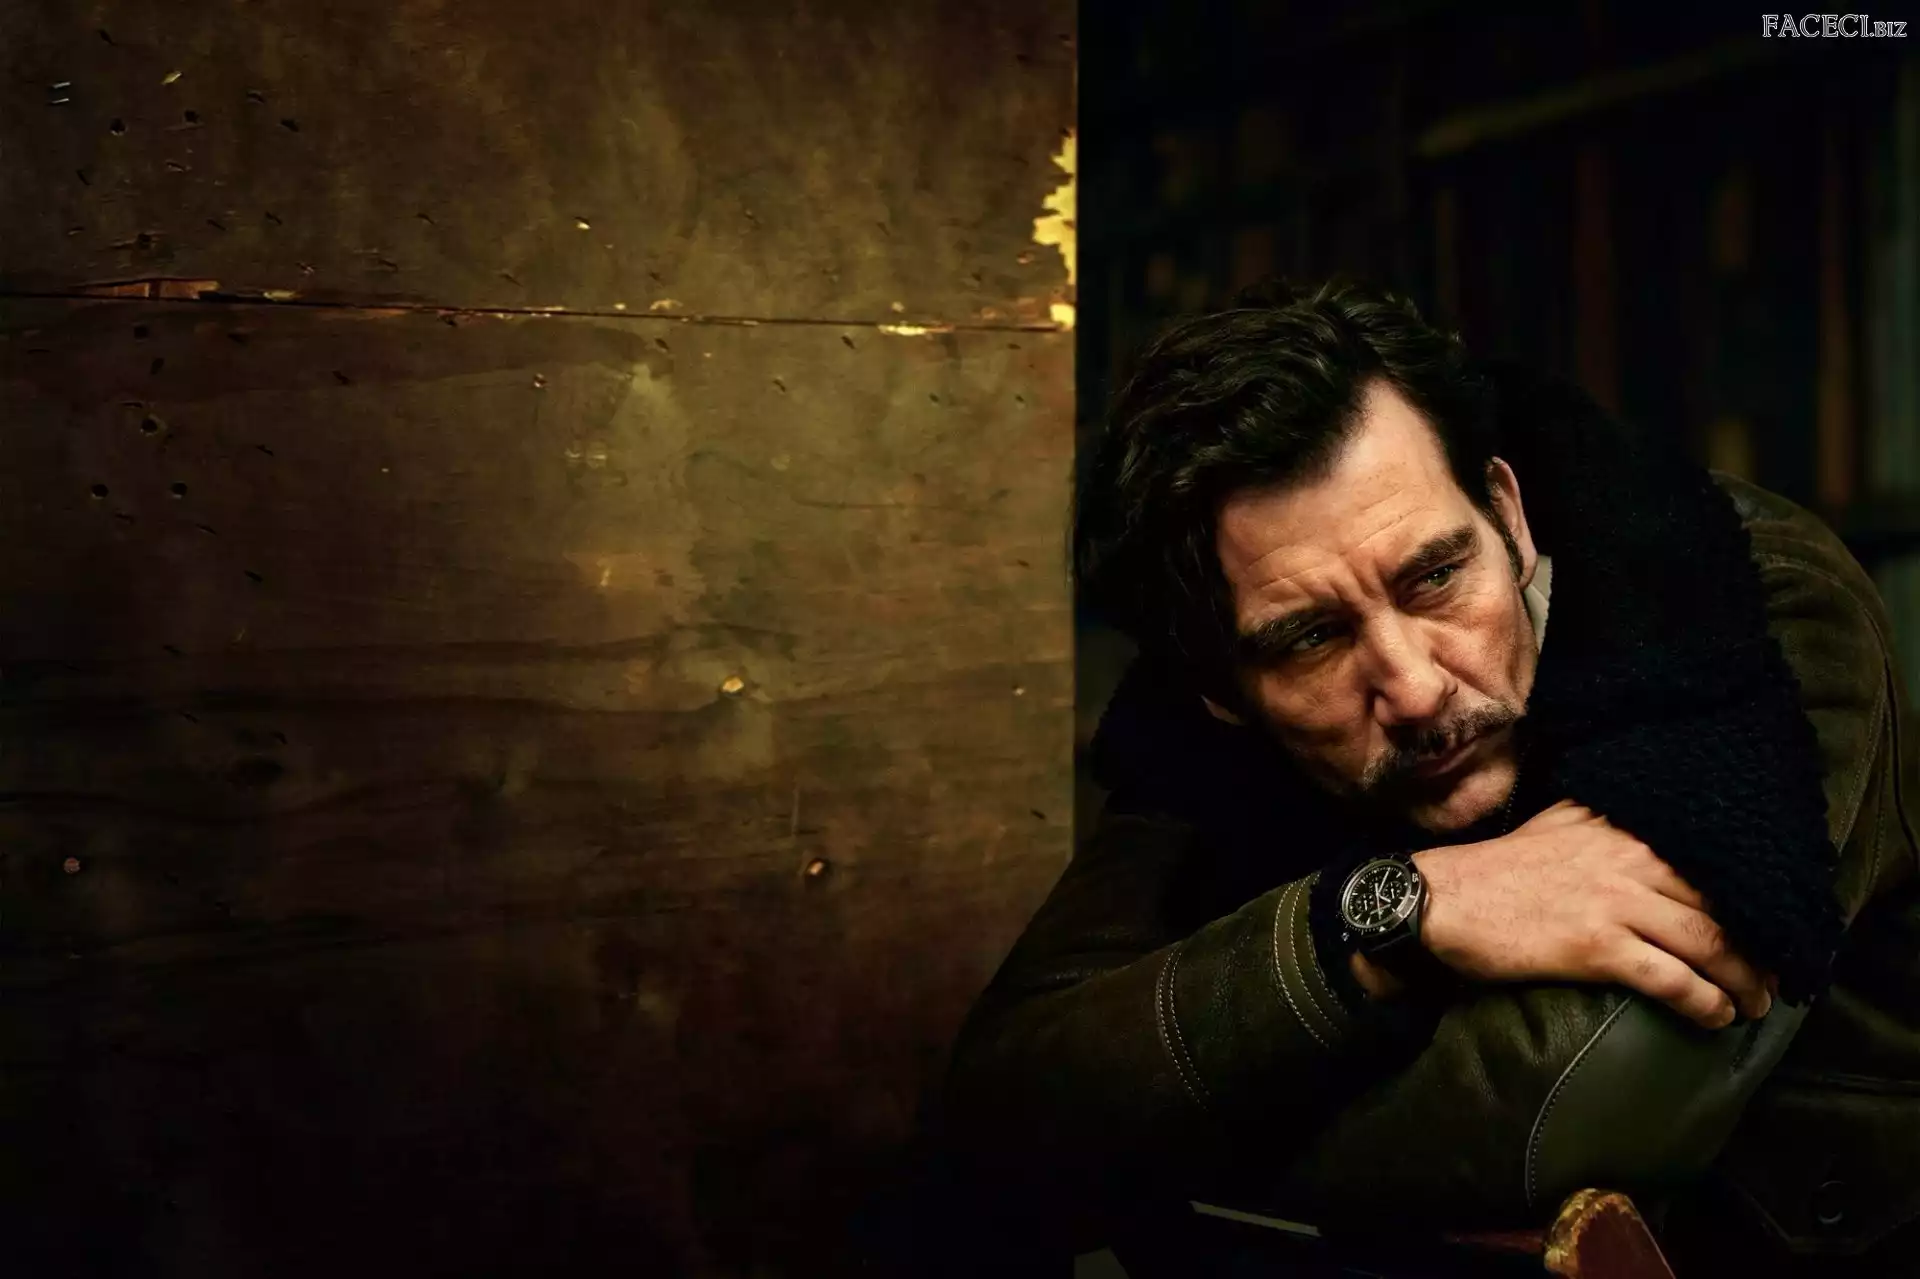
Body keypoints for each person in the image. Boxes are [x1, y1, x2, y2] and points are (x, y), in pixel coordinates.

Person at [935, 281, 1920, 1276]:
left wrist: (1148, 1133)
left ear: (1507, 514)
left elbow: (1566, 1109)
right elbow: (1001, 1110)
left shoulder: (1752, 599)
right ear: (1217, 691)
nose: (1413, 687)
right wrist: (1382, 919)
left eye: (1436, 578)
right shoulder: (1207, 690)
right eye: (1314, 638)